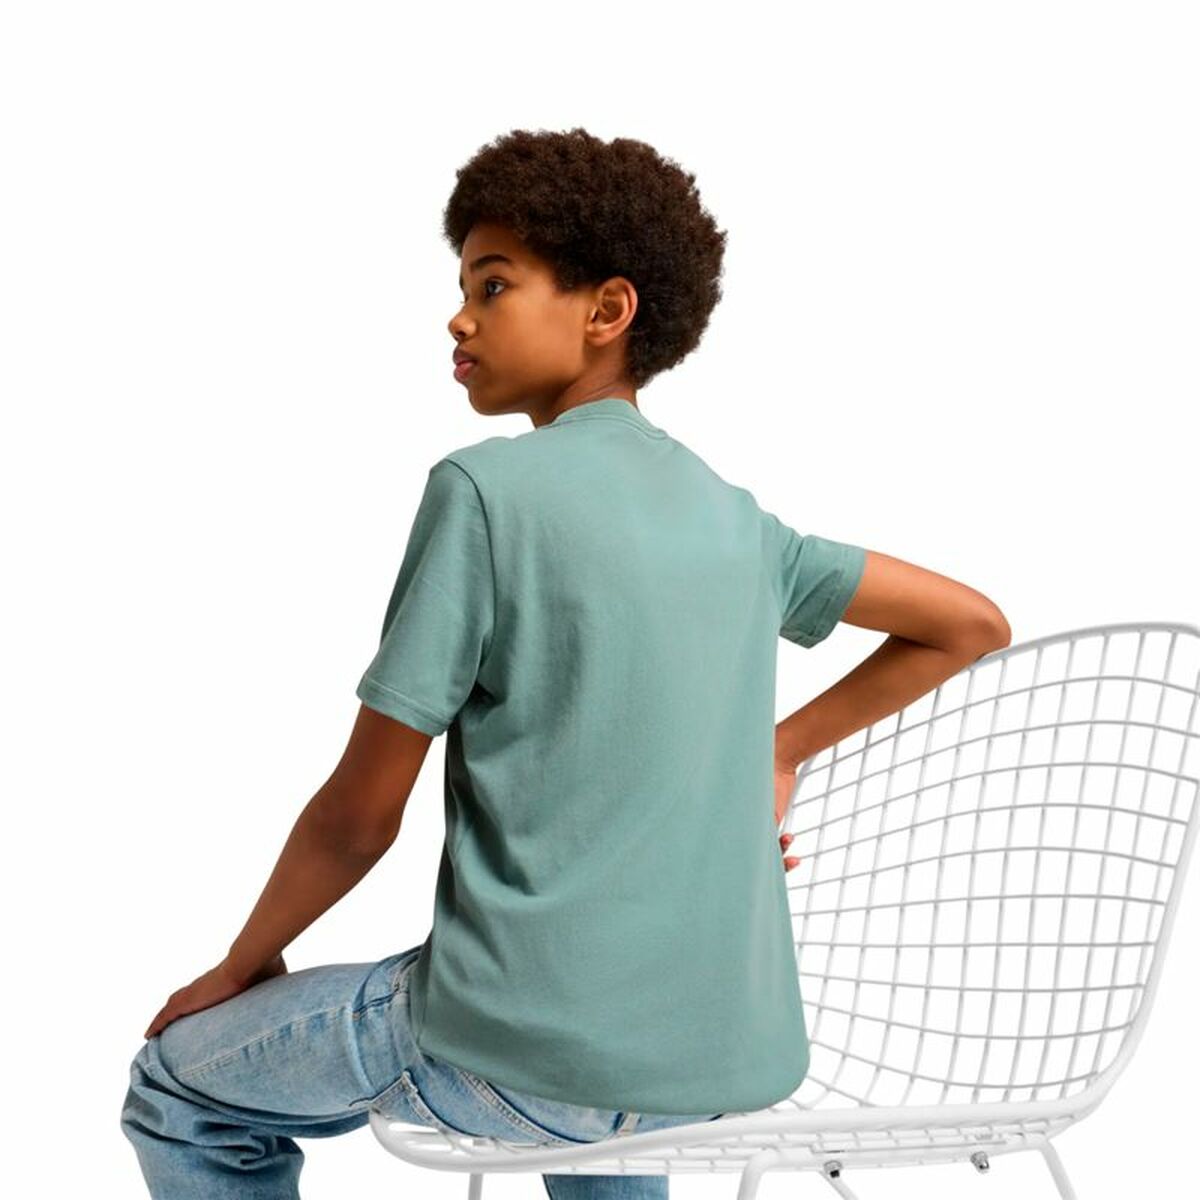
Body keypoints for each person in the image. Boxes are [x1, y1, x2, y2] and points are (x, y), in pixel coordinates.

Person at [120, 126, 1010, 1199]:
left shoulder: (486, 494)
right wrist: (777, 753)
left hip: (517, 1057)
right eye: (462, 289)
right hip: (714, 1065)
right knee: (599, 1112)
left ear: (607, 311)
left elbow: (359, 817)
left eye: (493, 286)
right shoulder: (740, 524)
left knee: (176, 1092)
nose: (459, 318)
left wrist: (243, 962)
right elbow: (971, 623)